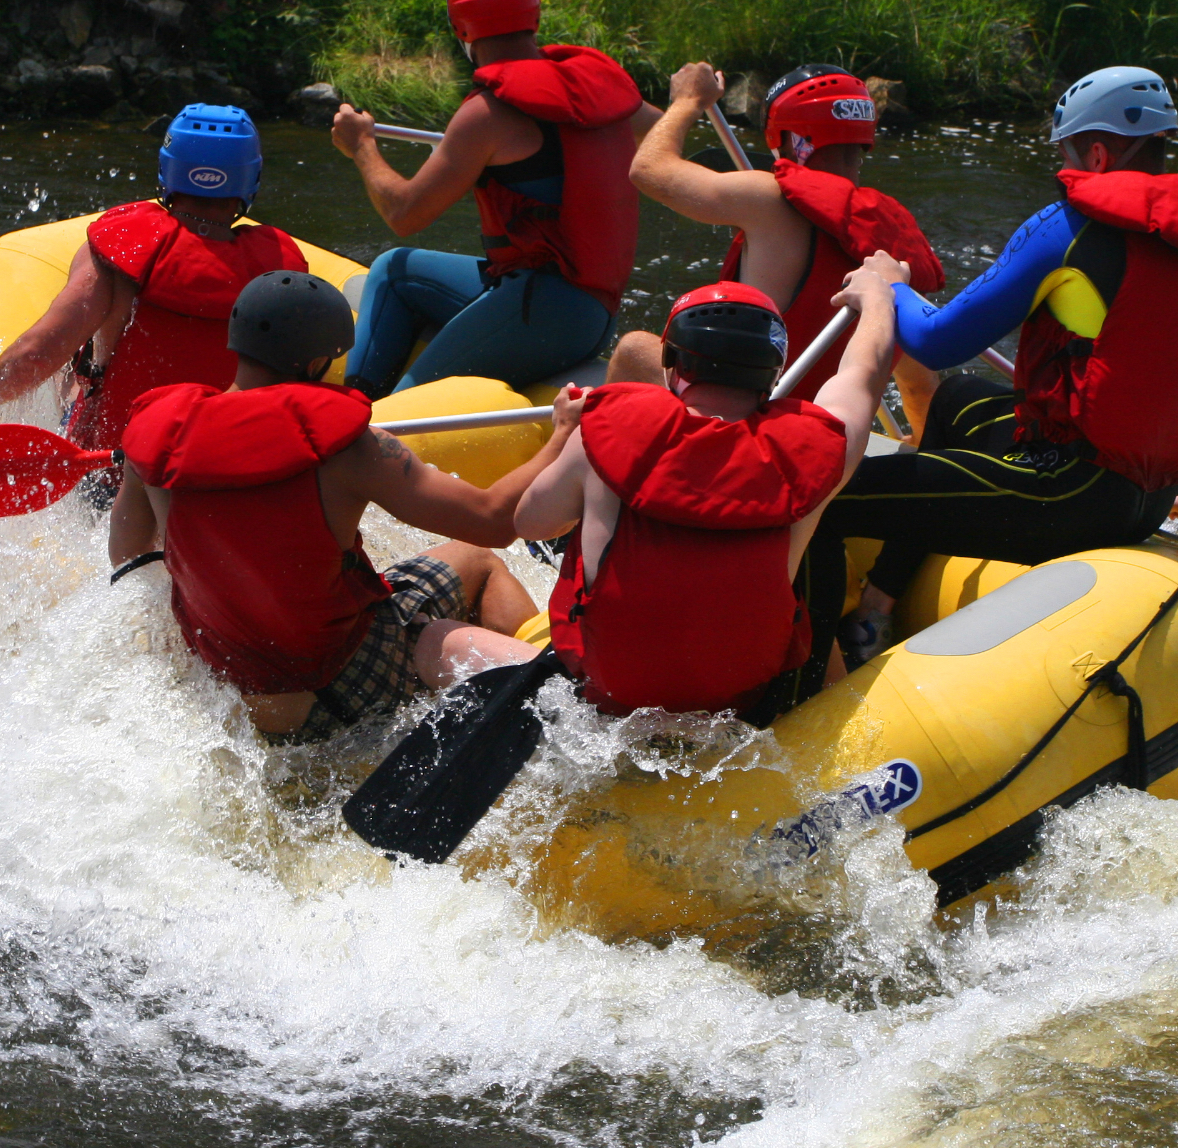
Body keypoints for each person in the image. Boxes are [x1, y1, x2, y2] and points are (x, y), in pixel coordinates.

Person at [813, 65, 1178, 664]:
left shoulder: (1069, 231)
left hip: (1060, 500)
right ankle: (879, 606)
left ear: (1094, 152)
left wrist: (889, 289)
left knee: (822, 495)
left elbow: (935, 342)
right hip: (1149, 499)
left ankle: (811, 683)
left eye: (1063, 154)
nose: (1061, 170)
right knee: (954, 400)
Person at [108, 271, 586, 745]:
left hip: (233, 693)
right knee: (477, 562)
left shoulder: (151, 443)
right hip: (342, 686)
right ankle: (537, 694)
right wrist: (562, 434)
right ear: (318, 362)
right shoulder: (350, 450)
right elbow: (495, 521)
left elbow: (128, 556)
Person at [440, 258, 904, 720]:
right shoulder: (822, 452)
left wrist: (565, 431)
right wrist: (878, 297)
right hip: (738, 704)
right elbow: (862, 373)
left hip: (603, 700)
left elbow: (533, 523)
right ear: (771, 372)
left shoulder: (598, 437)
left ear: (672, 365)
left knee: (438, 637)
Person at [328, 0, 661, 398]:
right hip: (594, 312)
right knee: (392, 269)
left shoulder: (484, 116)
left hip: (542, 314)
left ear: (462, 30)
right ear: (535, 15)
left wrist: (361, 147)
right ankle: (356, 398)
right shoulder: (604, 94)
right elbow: (665, 132)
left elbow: (403, 212)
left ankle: (371, 425)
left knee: (408, 404)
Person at [0, 104, 305, 456]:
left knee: (73, 369)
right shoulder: (280, 273)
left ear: (168, 169)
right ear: (250, 178)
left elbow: (40, 350)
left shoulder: (121, 255)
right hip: (232, 458)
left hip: (119, 465)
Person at [625, 61, 946, 433]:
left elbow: (647, 170)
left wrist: (688, 100)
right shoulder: (893, 242)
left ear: (784, 137)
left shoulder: (767, 197)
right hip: (819, 444)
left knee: (633, 350)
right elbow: (920, 387)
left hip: (746, 427)